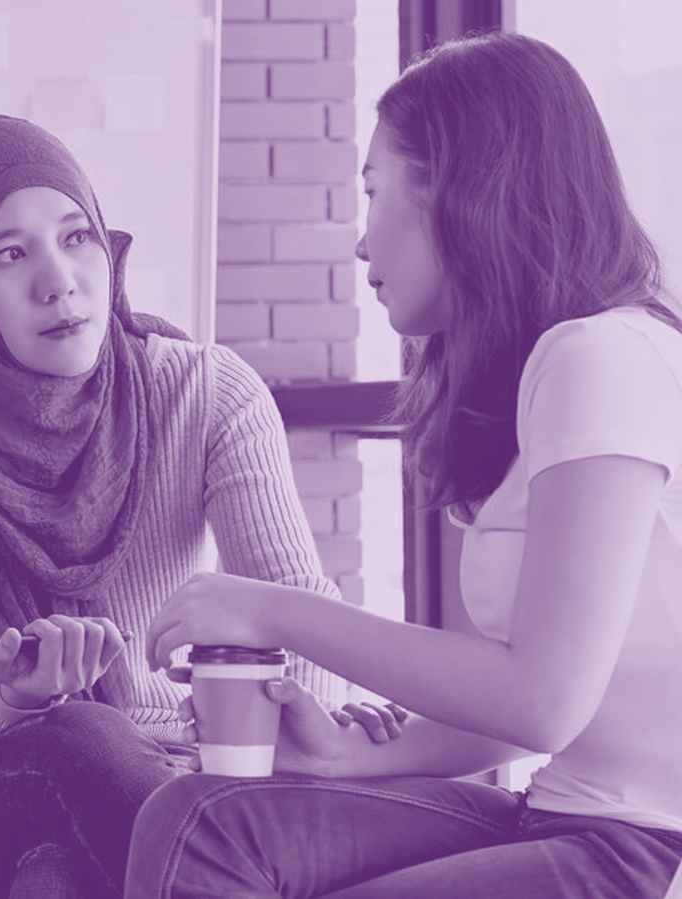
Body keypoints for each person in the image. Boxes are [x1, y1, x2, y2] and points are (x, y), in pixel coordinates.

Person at [128, 31, 682, 899]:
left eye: (376, 193)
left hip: (645, 847)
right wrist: (347, 752)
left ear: (461, 195)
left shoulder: (603, 358)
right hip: (563, 810)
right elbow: (544, 702)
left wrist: (271, 609)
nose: (360, 244)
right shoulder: (549, 372)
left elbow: (541, 700)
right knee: (201, 817)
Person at [0, 114, 372, 899]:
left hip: (180, 767)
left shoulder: (207, 394)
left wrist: (282, 744)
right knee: (85, 732)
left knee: (60, 881)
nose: (58, 281)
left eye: (76, 236)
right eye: (8, 254)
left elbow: (300, 623)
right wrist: (22, 692)